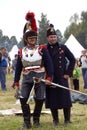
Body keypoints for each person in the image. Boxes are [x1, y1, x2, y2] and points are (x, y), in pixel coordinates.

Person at [13, 11, 53, 129]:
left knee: (40, 98)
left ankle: (36, 120)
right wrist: (16, 82)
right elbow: (19, 68)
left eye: (34, 38)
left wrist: (49, 77)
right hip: (26, 78)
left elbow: (49, 64)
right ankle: (27, 122)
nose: (32, 40)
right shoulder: (21, 51)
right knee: (23, 99)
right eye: (30, 38)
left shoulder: (42, 49)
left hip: (39, 77)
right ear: (26, 39)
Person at [45, 24, 75, 126]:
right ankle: (55, 120)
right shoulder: (44, 49)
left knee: (65, 99)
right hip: (50, 77)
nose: (53, 38)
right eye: (51, 37)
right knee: (53, 99)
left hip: (62, 76)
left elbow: (72, 59)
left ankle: (67, 120)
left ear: (56, 37)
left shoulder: (63, 47)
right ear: (47, 38)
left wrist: (68, 73)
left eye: (54, 37)